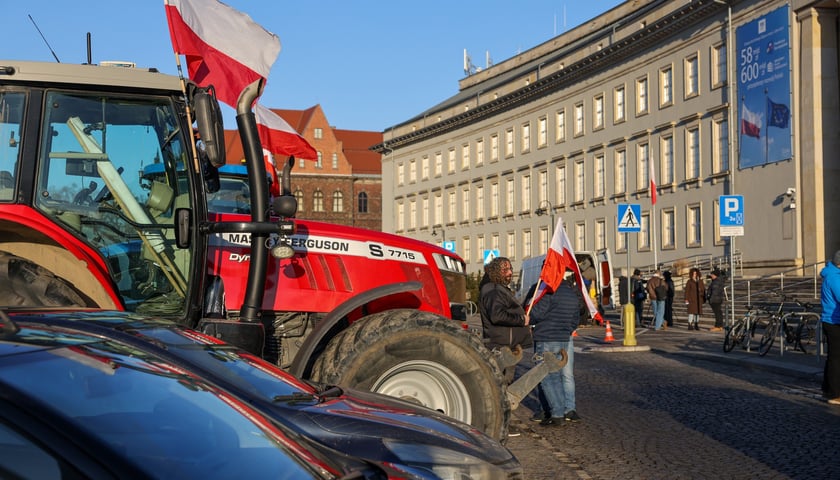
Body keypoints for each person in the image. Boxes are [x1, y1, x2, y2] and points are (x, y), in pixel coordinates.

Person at [529, 273, 583, 426]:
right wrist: (566, 331)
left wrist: (529, 315)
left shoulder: (549, 291)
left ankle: (557, 413)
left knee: (546, 377)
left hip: (546, 336)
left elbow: (537, 313)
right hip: (563, 338)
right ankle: (562, 410)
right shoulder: (571, 293)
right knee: (558, 376)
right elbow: (575, 319)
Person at [478, 256, 532, 378]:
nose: (510, 273)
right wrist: (521, 320)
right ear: (496, 272)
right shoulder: (493, 290)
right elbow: (497, 316)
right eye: (505, 270)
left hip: (506, 347)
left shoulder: (499, 288)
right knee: (501, 384)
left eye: (510, 269)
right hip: (500, 348)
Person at [820, 250, 840, 405]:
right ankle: (834, 394)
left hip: (831, 320)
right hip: (834, 322)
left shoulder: (831, 274)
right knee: (836, 359)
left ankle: (827, 389)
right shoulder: (834, 277)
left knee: (833, 357)